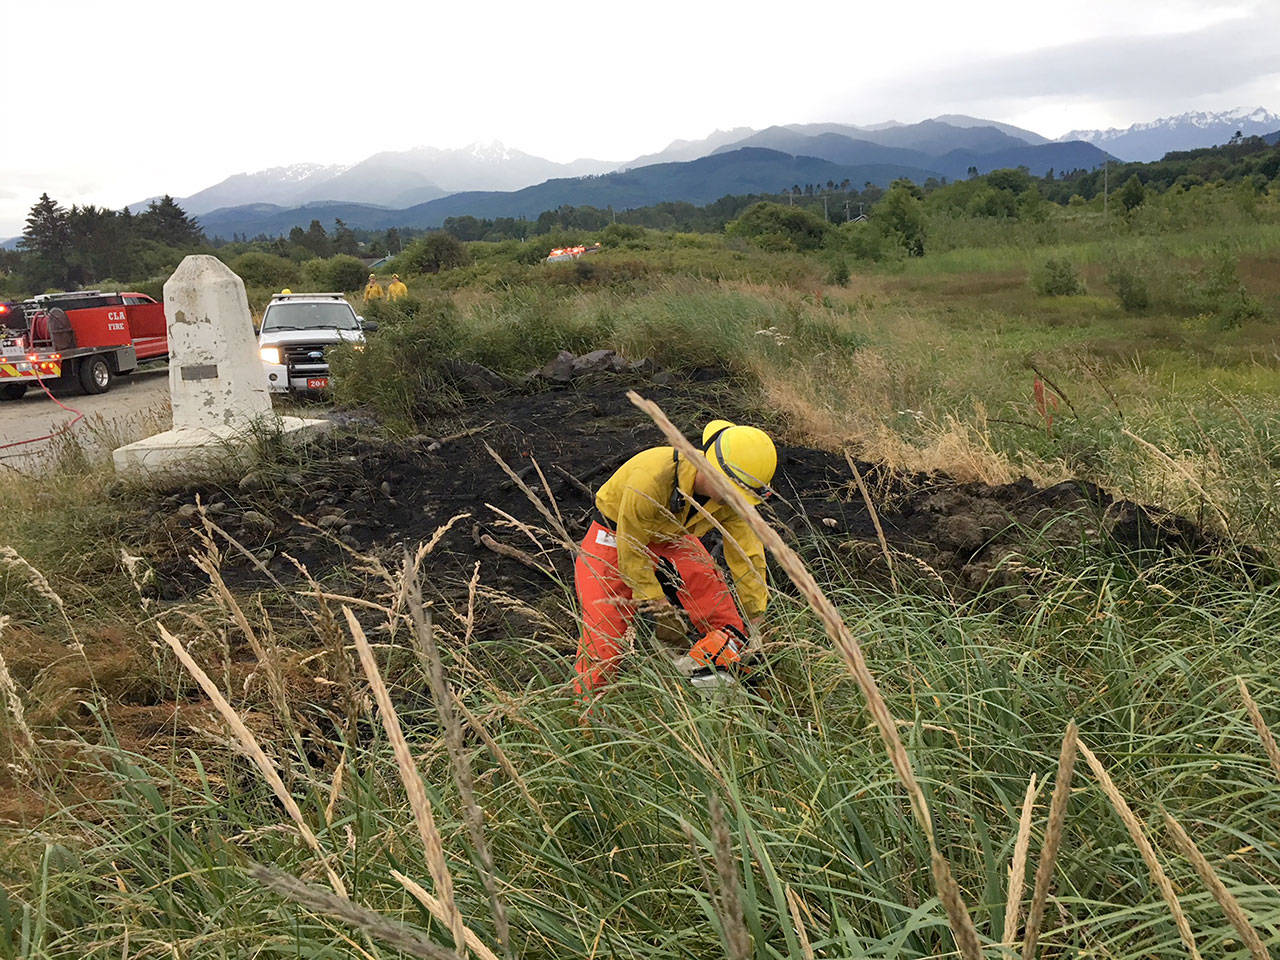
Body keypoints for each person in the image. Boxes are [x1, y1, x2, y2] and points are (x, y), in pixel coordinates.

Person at [574, 419, 777, 695]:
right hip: (616, 532)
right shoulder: (651, 478)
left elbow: (747, 553)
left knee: (717, 604)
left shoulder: (727, 500)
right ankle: (590, 715)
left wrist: (756, 619)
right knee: (604, 636)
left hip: (673, 535)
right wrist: (659, 607)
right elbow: (631, 549)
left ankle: (719, 673)